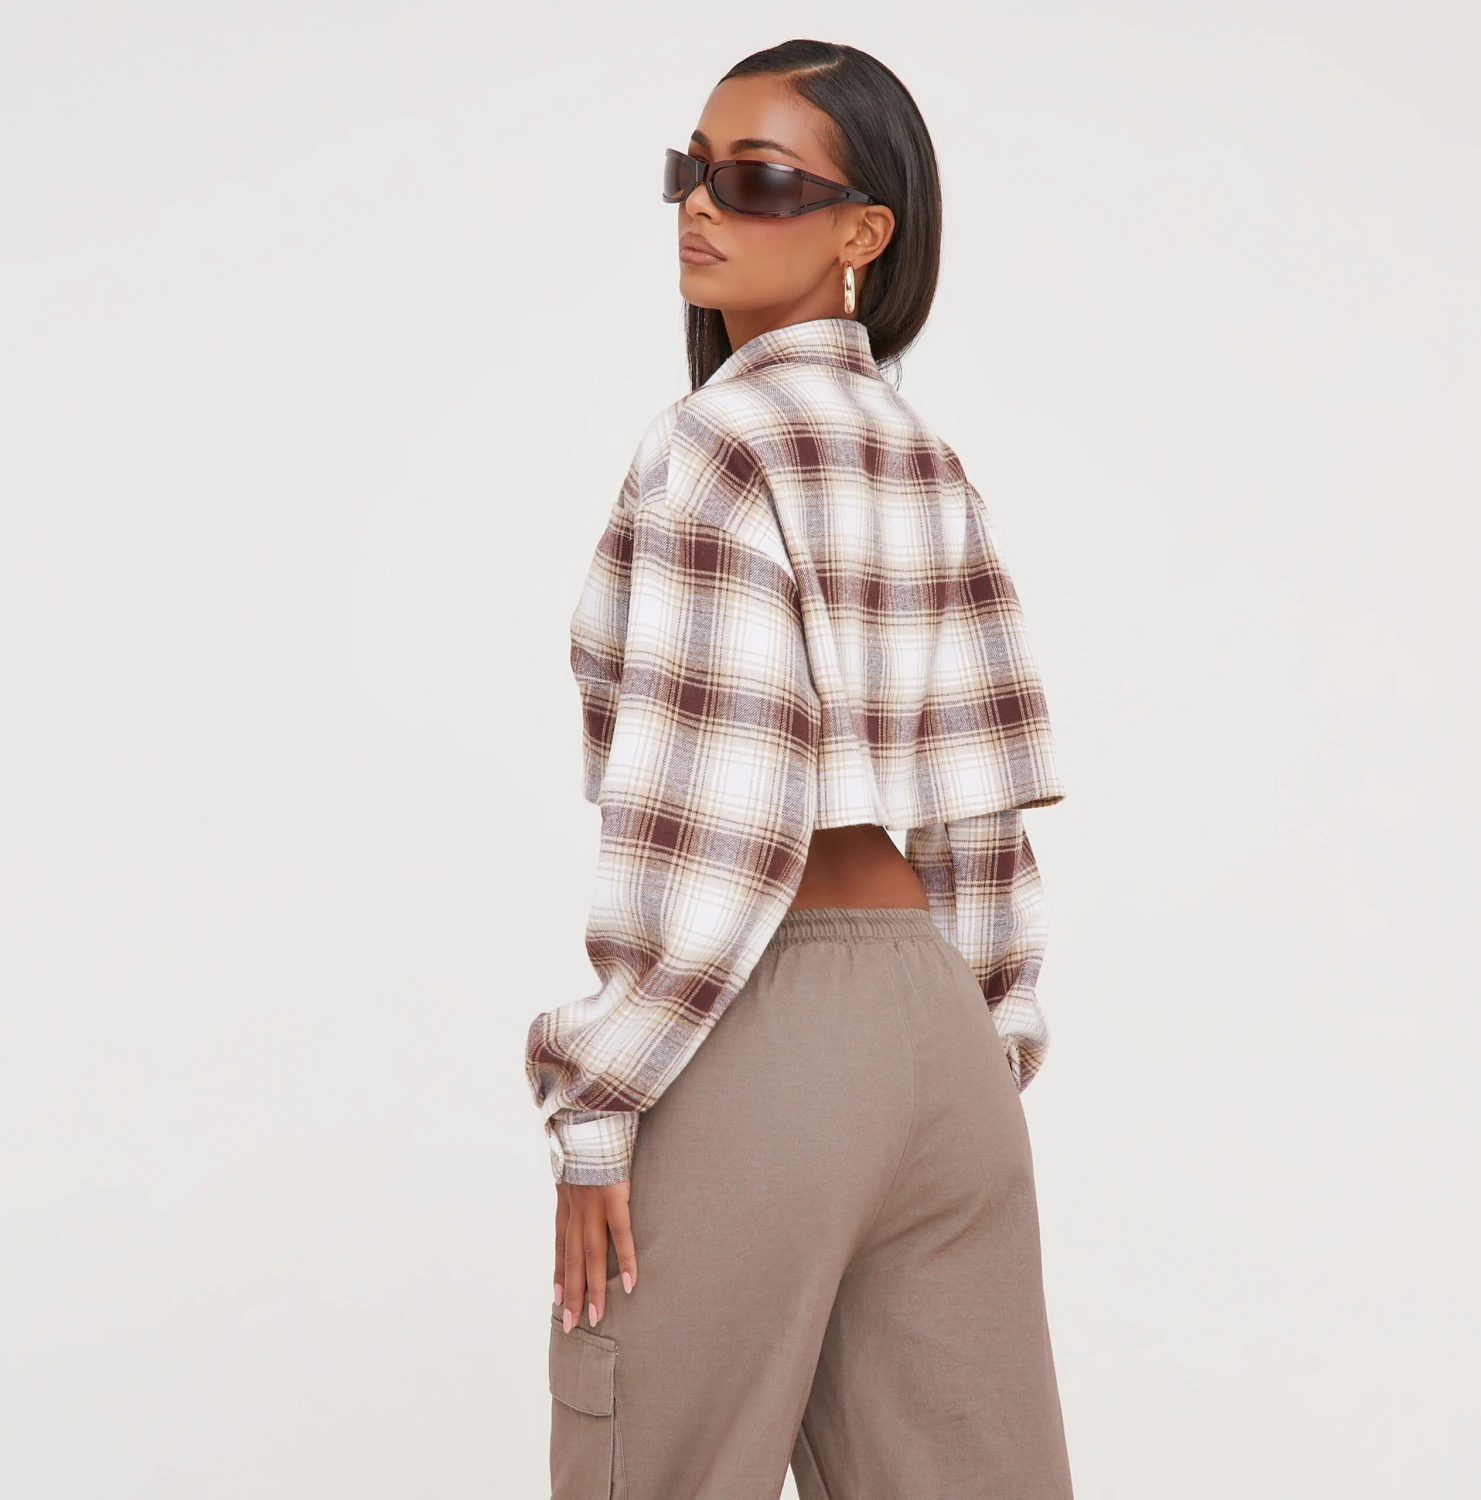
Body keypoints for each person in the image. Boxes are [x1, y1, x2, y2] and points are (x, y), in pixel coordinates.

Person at [525, 38, 1075, 1500]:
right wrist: (989, 1037)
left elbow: (718, 822)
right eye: (690, 171)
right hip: (941, 1041)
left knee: (659, 1471)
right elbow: (977, 804)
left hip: (761, 1024)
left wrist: (597, 1106)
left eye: (758, 181)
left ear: (863, 232)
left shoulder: (713, 446)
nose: (704, 207)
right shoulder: (925, 457)